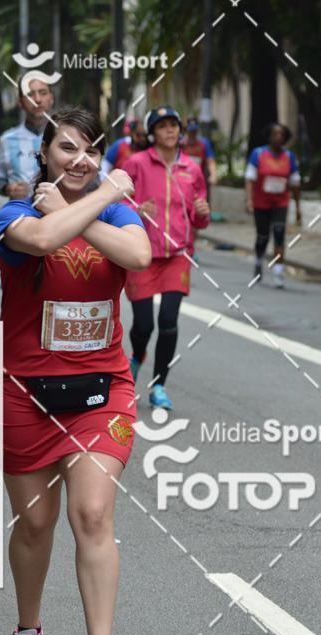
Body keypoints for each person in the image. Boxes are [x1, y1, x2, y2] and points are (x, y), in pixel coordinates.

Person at [0, 107, 151, 635]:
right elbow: (39, 238)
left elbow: (136, 257)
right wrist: (100, 193)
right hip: (23, 395)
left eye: (91, 150)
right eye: (67, 149)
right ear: (44, 155)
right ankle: (28, 630)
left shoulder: (115, 212)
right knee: (35, 522)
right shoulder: (15, 212)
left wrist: (82, 210)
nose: (80, 160)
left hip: (100, 392)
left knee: (92, 514)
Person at [120, 105, 210, 411]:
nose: (170, 131)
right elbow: (113, 207)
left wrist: (202, 214)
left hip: (178, 256)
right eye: (163, 126)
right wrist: (136, 211)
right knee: (144, 325)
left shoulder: (192, 169)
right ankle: (136, 357)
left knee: (168, 321)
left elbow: (199, 220)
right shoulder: (135, 164)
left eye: (174, 125)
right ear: (152, 133)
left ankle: (158, 385)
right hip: (142, 253)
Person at [245, 123, 301, 288]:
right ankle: (258, 260)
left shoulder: (289, 157)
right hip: (261, 202)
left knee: (279, 233)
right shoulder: (259, 154)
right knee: (262, 235)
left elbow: (295, 183)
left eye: (281, 135)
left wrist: (298, 207)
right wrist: (248, 200)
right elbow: (249, 179)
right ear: (269, 136)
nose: (278, 137)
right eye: (275, 134)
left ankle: (278, 271)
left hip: (280, 202)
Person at [0, 78, 54, 199]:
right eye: (30, 94)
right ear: (20, 102)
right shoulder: (7, 139)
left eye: (43, 93)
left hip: (60, 215)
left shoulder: (67, 137)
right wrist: (8, 188)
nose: (37, 100)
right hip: (21, 214)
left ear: (52, 98)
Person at [182, 117, 217, 196]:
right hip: (183, 178)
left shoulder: (204, 143)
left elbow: (210, 161)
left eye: (195, 131)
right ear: (186, 130)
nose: (193, 134)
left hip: (200, 179)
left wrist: (213, 175)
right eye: (191, 131)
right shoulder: (181, 143)